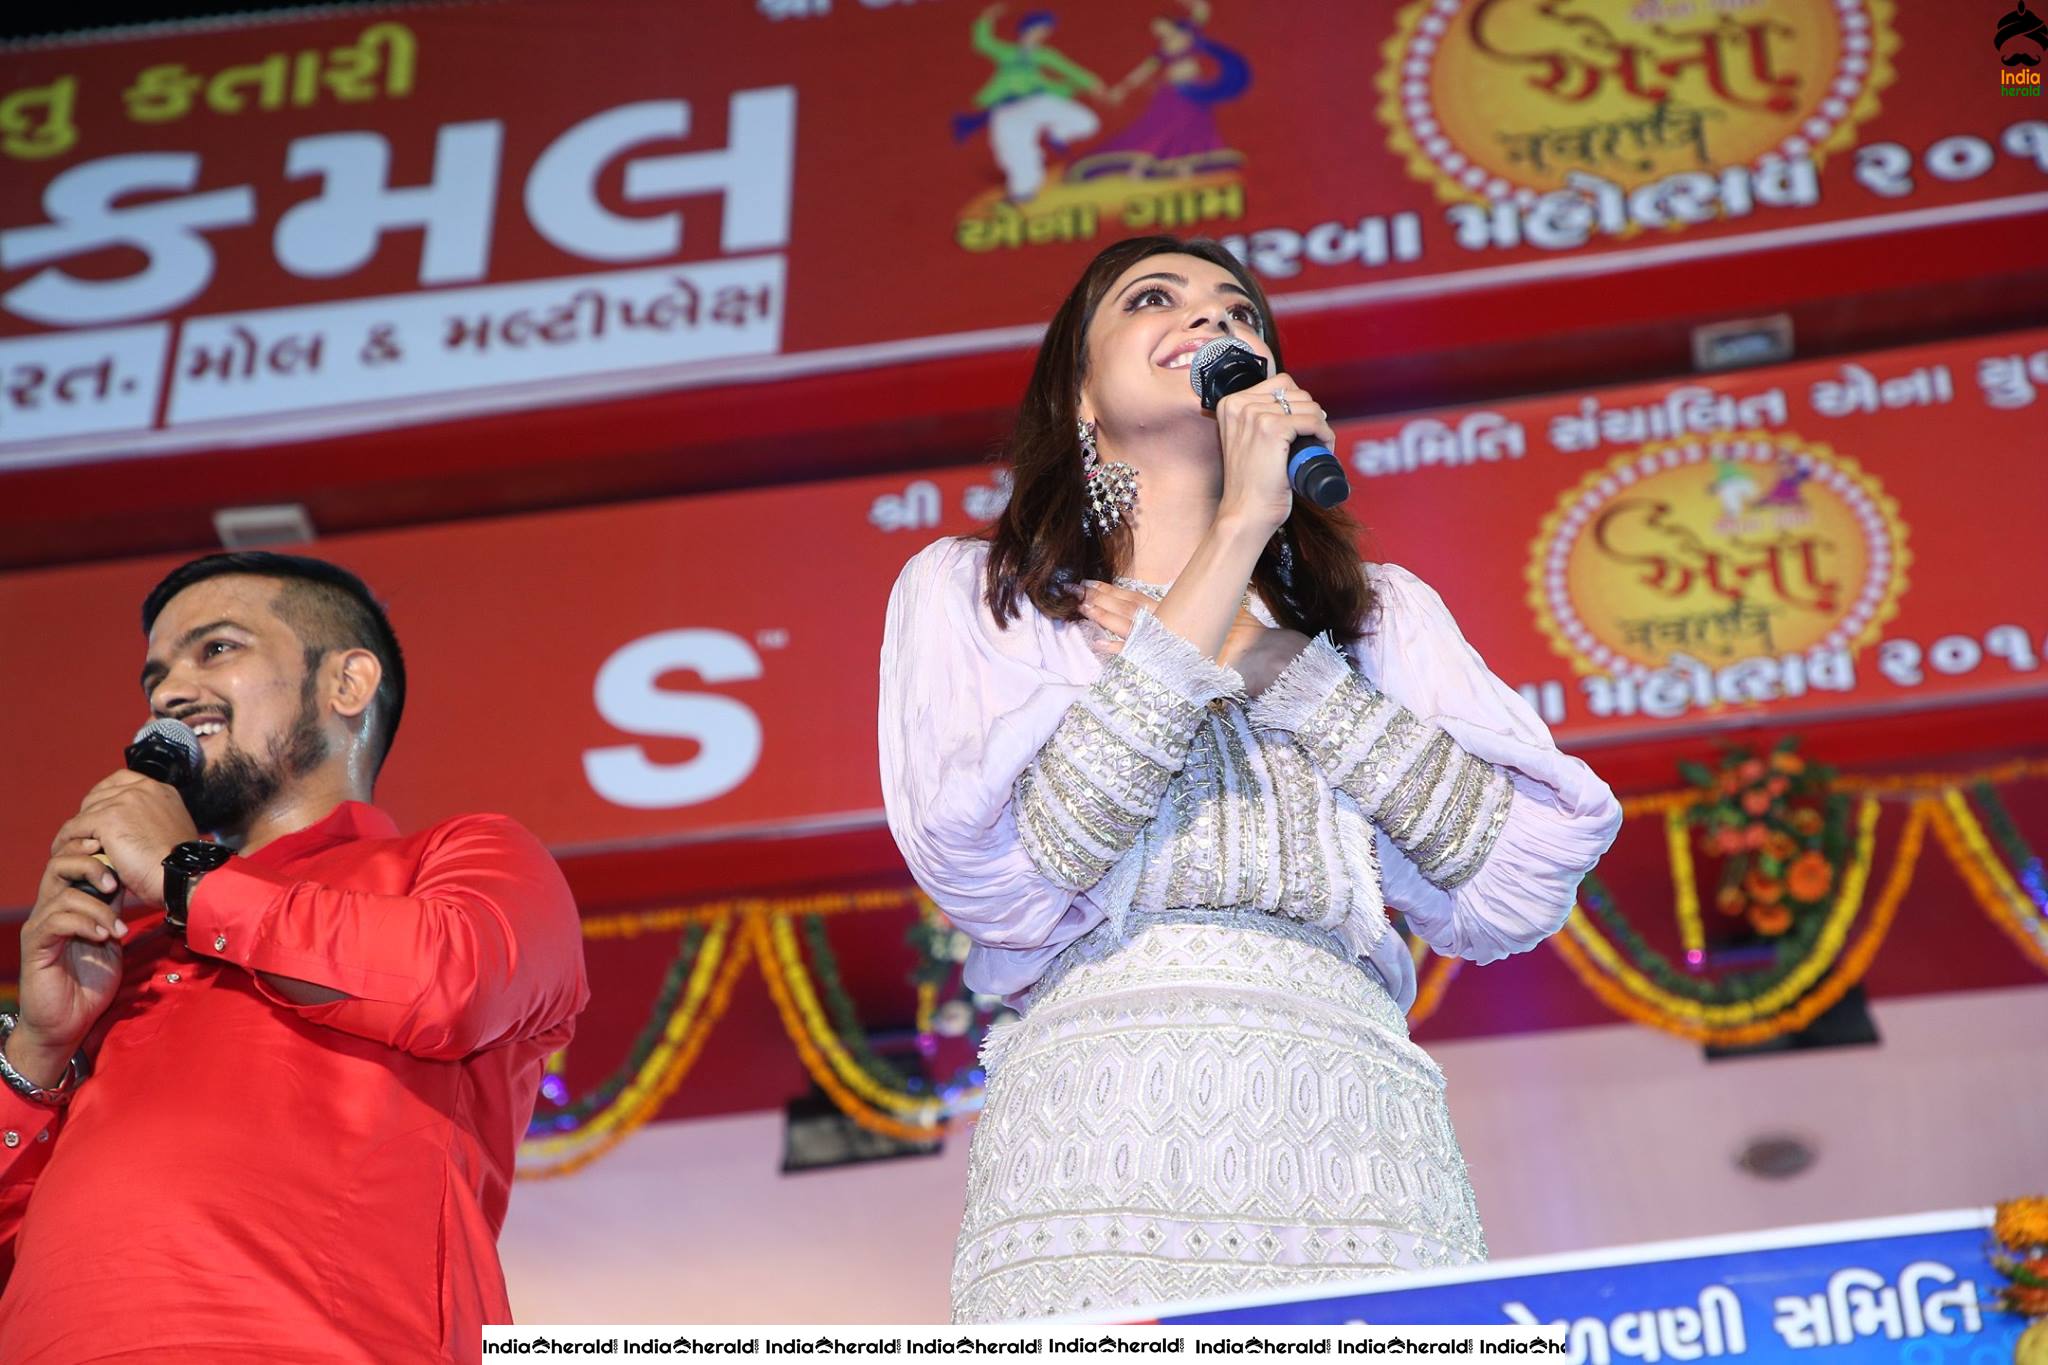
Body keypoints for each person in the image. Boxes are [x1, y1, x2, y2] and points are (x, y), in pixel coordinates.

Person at [878, 236, 1622, 1322]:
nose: (1212, 321)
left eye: (1239, 312)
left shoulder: (1376, 614)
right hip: (1103, 1153)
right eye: (1152, 299)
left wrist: (1275, 660)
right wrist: (1230, 539)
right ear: (1078, 393)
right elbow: (1026, 865)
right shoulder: (982, 595)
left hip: (1358, 1141)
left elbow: (1510, 875)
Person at [0, 552, 589, 1363]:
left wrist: (188, 876)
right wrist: (37, 1049)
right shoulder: (115, 955)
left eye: (217, 649)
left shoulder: (460, 859)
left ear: (346, 684)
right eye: (157, 677)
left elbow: (453, 982)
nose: (169, 693)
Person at [954, 4, 1109, 203]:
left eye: (1044, 31)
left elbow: (1068, 69)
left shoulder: (1044, 55)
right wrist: (986, 18)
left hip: (1037, 101)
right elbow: (982, 43)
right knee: (1015, 149)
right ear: (1026, 29)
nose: (1041, 35)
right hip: (1007, 109)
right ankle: (1022, 192)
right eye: (1038, 30)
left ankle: (1057, 134)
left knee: (1085, 121)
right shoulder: (1007, 53)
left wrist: (1093, 84)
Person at [1080, 0, 1250, 179]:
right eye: (1154, 28)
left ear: (1169, 23)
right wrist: (1121, 89)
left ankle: (1185, 164)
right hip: (1171, 94)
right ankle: (1144, 163)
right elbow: (1143, 71)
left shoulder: (1188, 33)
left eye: (1159, 26)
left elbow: (1202, 9)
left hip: (1194, 92)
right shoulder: (1161, 49)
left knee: (1194, 126)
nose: (1156, 31)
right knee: (1160, 127)